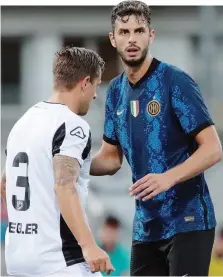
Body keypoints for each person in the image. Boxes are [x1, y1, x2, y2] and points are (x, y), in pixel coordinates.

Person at [90, 1, 223, 276]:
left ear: (151, 35)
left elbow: (212, 148)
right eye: (124, 32)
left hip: (189, 222)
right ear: (113, 39)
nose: (132, 39)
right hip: (146, 226)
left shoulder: (175, 81)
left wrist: (168, 177)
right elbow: (111, 159)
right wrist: (69, 162)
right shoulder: (115, 92)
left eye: (139, 30)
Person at [0, 46, 115, 276]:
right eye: (96, 84)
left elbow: (5, 183)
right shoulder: (72, 125)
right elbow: (64, 184)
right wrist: (89, 246)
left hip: (18, 257)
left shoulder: (24, 121)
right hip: (60, 260)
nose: (94, 95)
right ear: (84, 83)